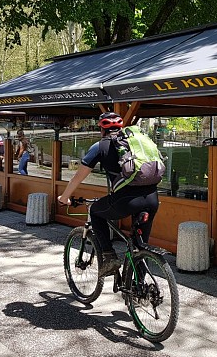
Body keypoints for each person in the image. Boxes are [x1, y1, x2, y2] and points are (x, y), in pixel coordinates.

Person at [57, 112, 160, 277]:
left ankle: (109, 256)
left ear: (101, 129)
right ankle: (140, 290)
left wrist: (64, 197)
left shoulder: (100, 146)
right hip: (152, 198)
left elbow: (77, 178)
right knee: (141, 246)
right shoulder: (133, 144)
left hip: (126, 200)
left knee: (96, 212)